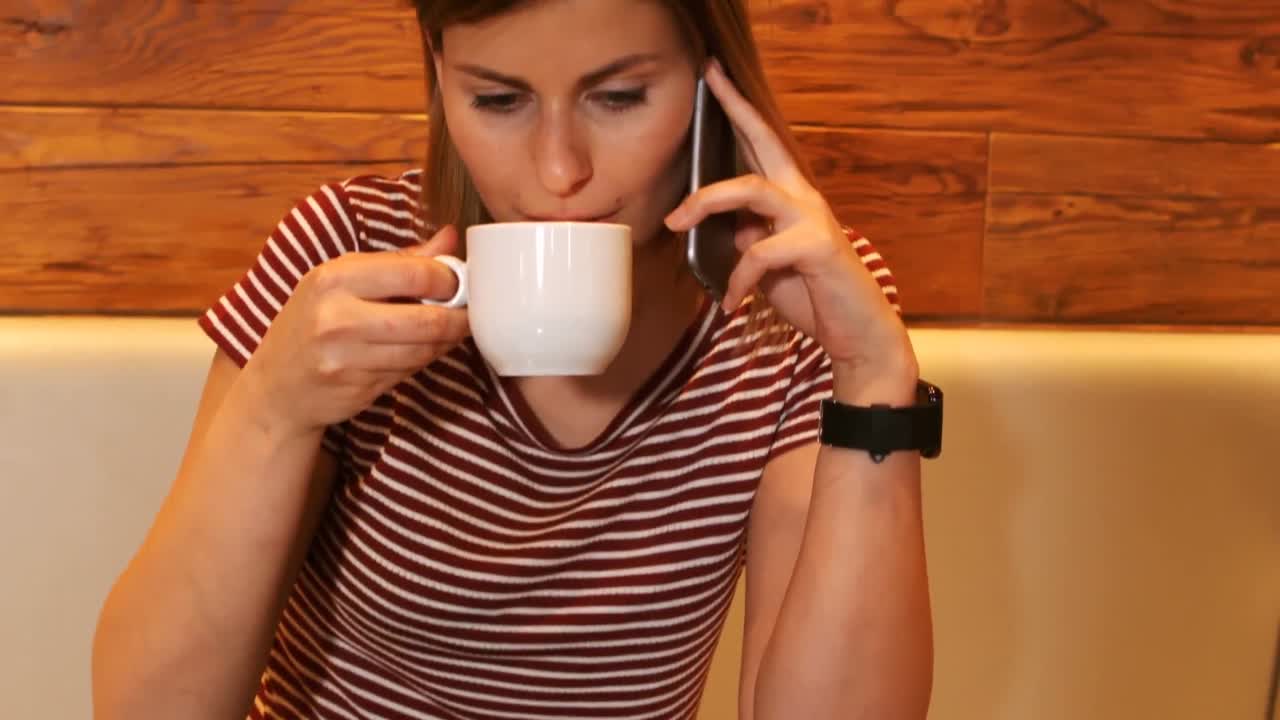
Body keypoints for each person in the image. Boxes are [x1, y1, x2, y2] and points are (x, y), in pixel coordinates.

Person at [91, 1, 933, 718]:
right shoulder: (349, 256)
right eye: (497, 99)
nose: (559, 171)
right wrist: (276, 411)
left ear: (713, 81)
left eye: (619, 96)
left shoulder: (793, 304)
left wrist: (871, 377)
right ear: (439, 75)